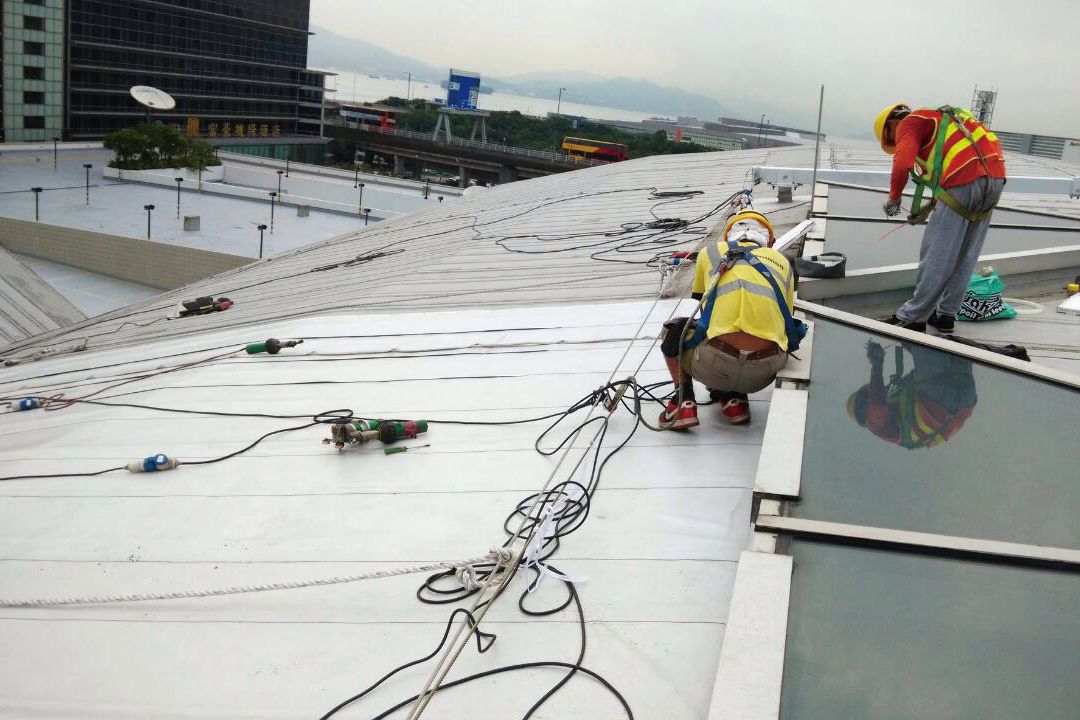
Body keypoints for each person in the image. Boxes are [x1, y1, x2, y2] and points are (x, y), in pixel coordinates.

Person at [873, 103, 1006, 333]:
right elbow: (957, 179)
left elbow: (903, 163)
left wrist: (894, 199)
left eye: (893, 141)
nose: (897, 145)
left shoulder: (909, 122)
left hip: (965, 178)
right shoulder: (947, 121)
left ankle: (912, 317)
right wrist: (927, 209)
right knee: (966, 255)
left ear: (892, 125)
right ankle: (946, 316)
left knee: (937, 253)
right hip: (995, 179)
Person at [658, 210, 794, 429]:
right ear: (769, 241)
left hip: (718, 362)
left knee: (675, 330)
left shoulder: (710, 252)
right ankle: (734, 401)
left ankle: (682, 404)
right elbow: (786, 322)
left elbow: (706, 314)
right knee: (753, 327)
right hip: (765, 371)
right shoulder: (783, 262)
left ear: (728, 237)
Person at [848, 340, 977, 449]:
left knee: (956, 338)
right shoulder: (875, 424)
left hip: (964, 400)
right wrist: (877, 365)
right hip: (939, 397)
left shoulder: (899, 422)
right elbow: (876, 404)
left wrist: (906, 341)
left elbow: (922, 371)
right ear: (862, 402)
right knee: (927, 333)